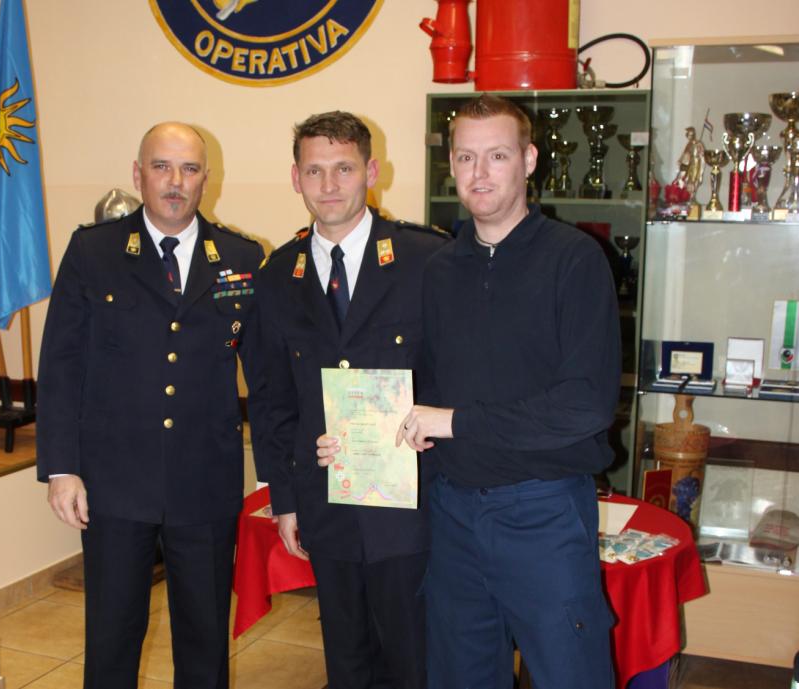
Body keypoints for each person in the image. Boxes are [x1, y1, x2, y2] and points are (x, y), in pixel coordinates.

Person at [395, 95, 621, 689]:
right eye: (465, 157)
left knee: (572, 677)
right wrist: (361, 437)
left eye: (497, 155)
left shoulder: (575, 260)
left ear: (529, 159)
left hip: (543, 513)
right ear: (451, 164)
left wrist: (455, 422)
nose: (479, 172)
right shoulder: (439, 270)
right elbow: (425, 387)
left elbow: (586, 404)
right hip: (453, 515)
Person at [36, 122, 265, 689]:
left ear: (207, 179)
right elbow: (61, 365)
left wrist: (280, 477)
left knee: (205, 642)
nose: (175, 181)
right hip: (115, 483)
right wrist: (62, 468)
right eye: (161, 167)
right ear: (138, 175)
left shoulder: (240, 256)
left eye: (189, 169)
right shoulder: (94, 251)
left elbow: (266, 375)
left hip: (204, 483)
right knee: (112, 639)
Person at [256, 111, 449, 689]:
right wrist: (285, 498)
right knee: (345, 660)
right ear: (296, 177)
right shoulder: (277, 275)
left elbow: (457, 375)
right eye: (314, 171)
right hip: (327, 501)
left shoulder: (426, 259)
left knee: (415, 659)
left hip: (412, 501)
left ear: (372, 171)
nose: (329, 185)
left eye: (344, 168)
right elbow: (272, 399)